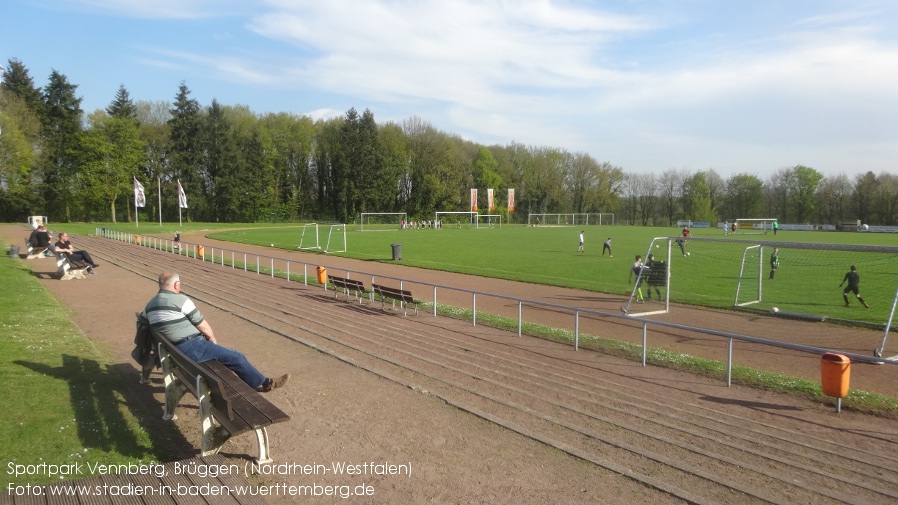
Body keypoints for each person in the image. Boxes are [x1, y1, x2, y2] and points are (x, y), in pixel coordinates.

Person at [145, 271, 290, 392]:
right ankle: (266, 383)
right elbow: (202, 325)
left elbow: (143, 322)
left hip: (175, 350)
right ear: (176, 285)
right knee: (236, 356)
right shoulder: (181, 300)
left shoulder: (150, 305)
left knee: (227, 355)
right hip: (191, 347)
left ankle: (260, 381)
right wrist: (212, 339)